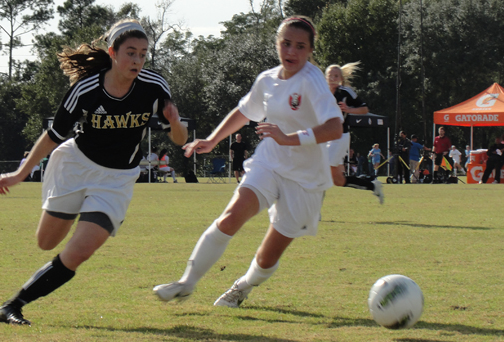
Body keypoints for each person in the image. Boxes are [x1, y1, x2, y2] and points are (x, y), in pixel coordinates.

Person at [0, 19, 188, 325]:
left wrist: (175, 124)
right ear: (112, 52)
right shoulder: (86, 88)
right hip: (75, 166)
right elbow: (52, 135)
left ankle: (12, 306)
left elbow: (179, 140)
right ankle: (72, 210)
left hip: (116, 179)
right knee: (46, 242)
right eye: (130, 53)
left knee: (80, 251)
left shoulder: (154, 87)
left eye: (143, 54)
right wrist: (19, 175)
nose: (137, 60)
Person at [153, 16, 344, 307]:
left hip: (305, 178)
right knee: (231, 215)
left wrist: (288, 137)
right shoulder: (266, 80)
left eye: (300, 46)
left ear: (309, 51)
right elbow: (244, 112)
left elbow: (334, 127)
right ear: (277, 44)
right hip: (269, 162)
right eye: (286, 43)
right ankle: (186, 284)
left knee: (268, 258)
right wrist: (213, 139)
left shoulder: (312, 81)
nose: (291, 51)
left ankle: (243, 285)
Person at [324, 63, 382, 201]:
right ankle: (373, 186)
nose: (332, 78)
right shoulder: (320, 92)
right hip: (324, 137)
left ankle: (314, 211)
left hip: (339, 137)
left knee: (321, 170)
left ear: (340, 78)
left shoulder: (345, 92)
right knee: (338, 180)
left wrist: (348, 109)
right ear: (325, 77)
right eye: (330, 75)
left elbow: (364, 109)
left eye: (336, 75)